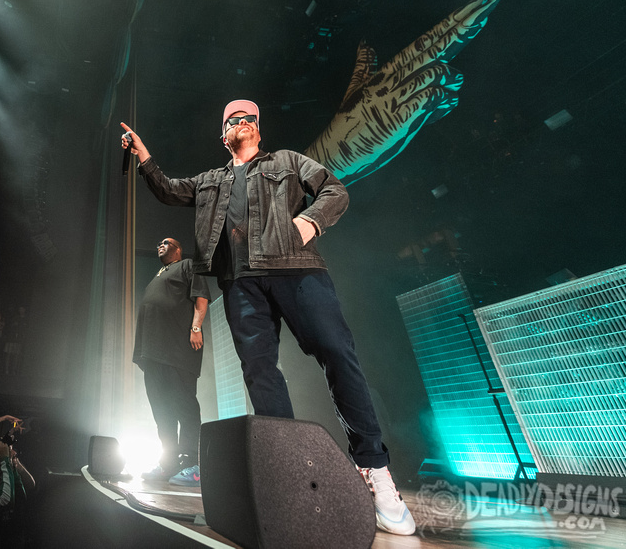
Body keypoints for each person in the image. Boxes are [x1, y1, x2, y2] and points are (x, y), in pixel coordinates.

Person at [120, 99, 416, 536]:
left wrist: (309, 223)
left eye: (249, 118)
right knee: (260, 372)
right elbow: (167, 188)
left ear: (258, 129)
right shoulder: (211, 181)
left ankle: (375, 470)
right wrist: (144, 157)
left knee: (336, 352)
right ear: (224, 135)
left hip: (297, 270)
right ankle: (295, 476)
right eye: (232, 120)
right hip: (241, 283)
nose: (242, 123)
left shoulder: (288, 161)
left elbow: (336, 190)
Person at [133, 237, 210, 486]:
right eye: (158, 243)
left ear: (178, 249)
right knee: (161, 411)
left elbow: (201, 298)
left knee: (184, 406)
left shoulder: (187, 265)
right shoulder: (159, 275)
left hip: (178, 350)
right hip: (154, 354)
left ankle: (193, 465)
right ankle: (168, 464)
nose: (159, 245)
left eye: (166, 242)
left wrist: (196, 327)